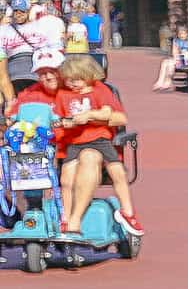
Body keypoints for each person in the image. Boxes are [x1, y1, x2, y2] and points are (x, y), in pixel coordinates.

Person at [55, 53, 144, 237]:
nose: (71, 84)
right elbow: (58, 118)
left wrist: (89, 116)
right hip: (74, 142)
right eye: (68, 80)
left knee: (117, 171)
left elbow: (110, 114)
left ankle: (127, 212)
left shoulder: (101, 90)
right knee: (66, 178)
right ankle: (65, 216)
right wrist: (66, 123)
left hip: (98, 140)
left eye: (76, 80)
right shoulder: (64, 94)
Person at [3, 0, 66, 107]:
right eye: (15, 11)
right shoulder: (5, 30)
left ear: (28, 11)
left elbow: (55, 49)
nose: (18, 14)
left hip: (36, 69)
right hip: (13, 72)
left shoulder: (41, 27)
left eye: (22, 11)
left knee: (38, 103)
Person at [153, 24, 188, 92]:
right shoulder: (176, 40)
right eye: (180, 34)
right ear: (177, 34)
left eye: (184, 33)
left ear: (187, 33)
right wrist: (179, 57)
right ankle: (161, 81)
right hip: (183, 59)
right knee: (166, 62)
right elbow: (175, 53)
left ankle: (167, 82)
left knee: (170, 63)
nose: (182, 35)